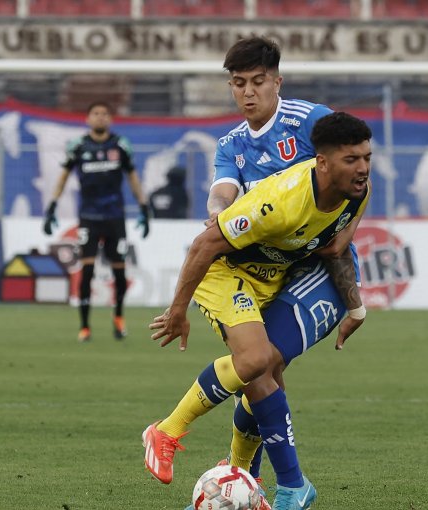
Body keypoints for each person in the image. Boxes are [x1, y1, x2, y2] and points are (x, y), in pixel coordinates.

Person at [143, 112, 371, 510]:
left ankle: (245, 474)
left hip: (269, 278)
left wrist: (355, 306)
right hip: (224, 272)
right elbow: (203, 245)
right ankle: (166, 431)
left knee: (267, 373)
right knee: (256, 359)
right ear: (322, 162)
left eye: (366, 157)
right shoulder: (278, 201)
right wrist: (178, 309)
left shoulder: (358, 190)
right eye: (351, 160)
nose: (363, 168)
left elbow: (335, 247)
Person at [195, 35, 366, 509]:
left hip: (309, 268)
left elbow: (357, 171)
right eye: (238, 84)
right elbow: (222, 191)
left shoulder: (310, 121)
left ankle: (283, 483)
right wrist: (217, 213)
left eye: (257, 82)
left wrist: (348, 230)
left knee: (263, 363)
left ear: (276, 82)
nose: (248, 93)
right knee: (259, 373)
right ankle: (253, 479)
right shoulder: (230, 144)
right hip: (258, 270)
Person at [43, 101, 150, 342]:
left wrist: (144, 207)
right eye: (96, 113)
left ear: (110, 119)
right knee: (87, 271)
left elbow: (132, 178)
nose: (100, 117)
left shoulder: (120, 146)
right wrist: (51, 206)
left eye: (104, 114)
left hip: (115, 217)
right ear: (88, 119)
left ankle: (119, 318)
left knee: (120, 273)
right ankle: (84, 326)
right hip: (89, 218)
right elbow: (62, 178)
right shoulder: (78, 147)